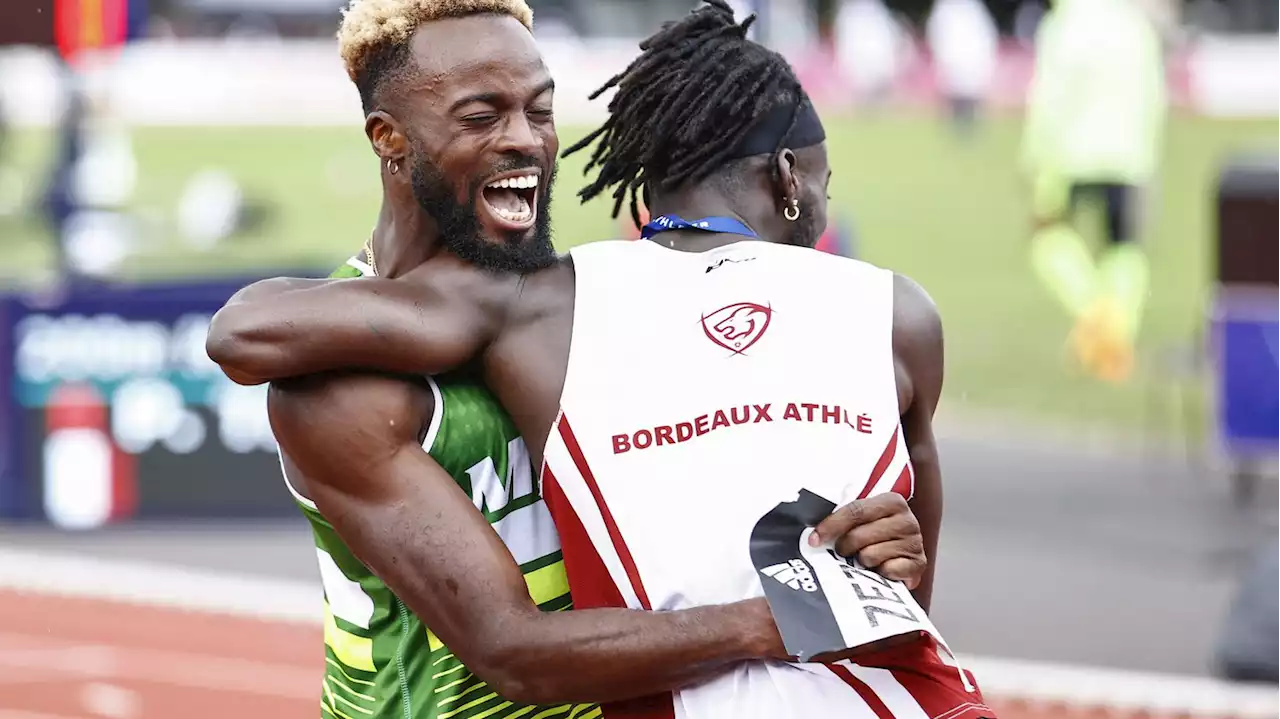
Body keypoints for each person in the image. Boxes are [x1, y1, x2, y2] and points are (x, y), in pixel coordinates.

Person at [210, 3, 989, 715]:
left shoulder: (582, 306)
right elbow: (510, 654)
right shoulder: (342, 382)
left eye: (541, 110)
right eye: (483, 115)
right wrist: (788, 613)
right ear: (391, 138)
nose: (526, 140)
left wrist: (867, 541)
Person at [1021, 0, 1167, 382]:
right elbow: (1154, 96)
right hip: (1130, 156)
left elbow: (1049, 99)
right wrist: (1149, 157)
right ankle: (1116, 331)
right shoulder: (1135, 26)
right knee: (1124, 250)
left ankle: (1096, 317)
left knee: (1048, 239)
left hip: (1072, 156)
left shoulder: (1065, 25)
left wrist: (1035, 158)